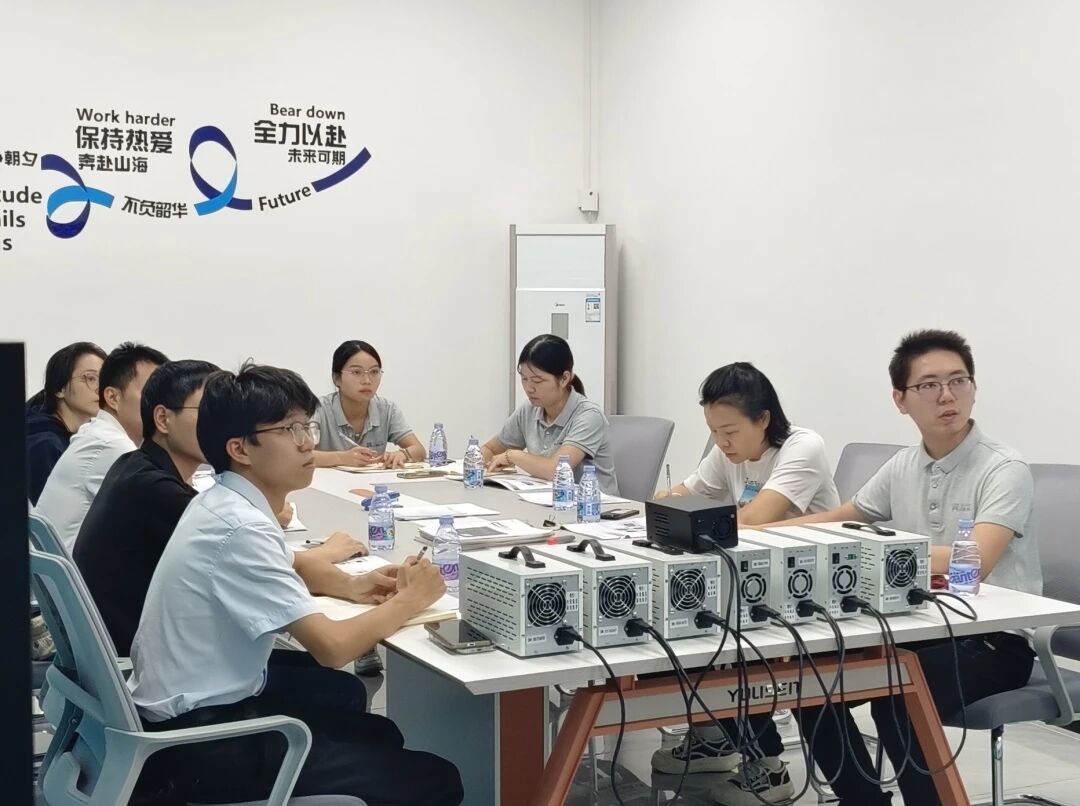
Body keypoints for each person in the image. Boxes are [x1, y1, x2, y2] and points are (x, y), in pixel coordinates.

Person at [127, 363, 463, 805]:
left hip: (189, 716)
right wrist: (410, 600)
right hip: (204, 745)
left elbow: (292, 565)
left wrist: (356, 587)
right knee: (436, 779)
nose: (308, 442)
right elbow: (333, 648)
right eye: (289, 430)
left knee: (376, 730)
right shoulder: (240, 526)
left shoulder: (224, 502)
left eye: (307, 426)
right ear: (239, 449)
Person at [773, 330, 1040, 806]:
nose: (947, 395)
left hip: (993, 640)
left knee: (898, 695)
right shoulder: (904, 465)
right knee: (810, 682)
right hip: (917, 626)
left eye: (958, 381)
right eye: (929, 385)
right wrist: (754, 532)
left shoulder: (1004, 468)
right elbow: (842, 517)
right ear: (900, 399)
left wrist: (880, 550)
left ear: (974, 388)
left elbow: (975, 559)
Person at [652, 362, 839, 803]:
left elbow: (754, 519)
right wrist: (664, 503)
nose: (721, 442)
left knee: (725, 645)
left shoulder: (802, 447)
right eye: (714, 431)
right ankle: (716, 738)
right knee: (680, 623)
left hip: (807, 598)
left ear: (764, 419)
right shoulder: (729, 452)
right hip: (753, 584)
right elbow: (684, 494)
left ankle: (767, 765)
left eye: (730, 431)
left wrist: (687, 513)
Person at [35, 342, 167, 548]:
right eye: (150, 394)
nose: (161, 407)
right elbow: (167, 515)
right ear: (112, 397)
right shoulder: (111, 445)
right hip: (76, 565)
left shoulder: (97, 433)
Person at [481, 334, 618, 494]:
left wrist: (512, 456)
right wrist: (484, 464)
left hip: (592, 505)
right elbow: (489, 449)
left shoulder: (589, 416)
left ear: (564, 378)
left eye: (537, 381)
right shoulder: (529, 410)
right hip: (545, 501)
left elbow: (556, 471)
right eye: (524, 379)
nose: (529, 388)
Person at [312, 340, 426, 470]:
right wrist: (342, 458)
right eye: (356, 372)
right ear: (337, 378)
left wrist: (402, 454)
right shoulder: (317, 409)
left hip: (373, 481)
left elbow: (419, 450)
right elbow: (299, 456)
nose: (367, 381)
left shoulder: (387, 409)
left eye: (374, 372)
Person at [25, 341, 106, 504]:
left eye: (104, 380)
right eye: (91, 378)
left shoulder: (78, 439)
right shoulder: (44, 446)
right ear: (59, 389)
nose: (100, 389)